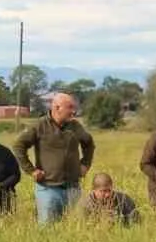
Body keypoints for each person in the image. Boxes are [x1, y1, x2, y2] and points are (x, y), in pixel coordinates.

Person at [15, 92, 96, 225]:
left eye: (73, 107)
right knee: (47, 229)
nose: (73, 111)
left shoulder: (75, 126)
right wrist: (31, 170)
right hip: (48, 188)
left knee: (74, 227)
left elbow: (89, 143)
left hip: (73, 187)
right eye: (69, 107)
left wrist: (85, 164)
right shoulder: (40, 125)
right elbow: (19, 145)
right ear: (57, 108)